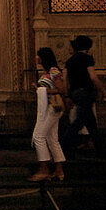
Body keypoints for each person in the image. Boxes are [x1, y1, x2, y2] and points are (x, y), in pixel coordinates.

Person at [60, 34, 106, 158]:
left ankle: (102, 150)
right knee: (80, 122)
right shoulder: (87, 59)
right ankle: (63, 145)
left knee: (90, 123)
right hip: (86, 92)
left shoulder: (70, 61)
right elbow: (93, 77)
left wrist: (67, 96)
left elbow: (64, 80)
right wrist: (104, 91)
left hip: (75, 92)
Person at [30, 47, 66, 182]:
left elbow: (61, 89)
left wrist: (43, 90)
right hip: (48, 107)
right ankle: (59, 169)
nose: (36, 58)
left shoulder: (54, 71)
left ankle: (44, 168)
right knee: (52, 139)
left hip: (53, 107)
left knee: (38, 137)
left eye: (38, 55)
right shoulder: (46, 71)